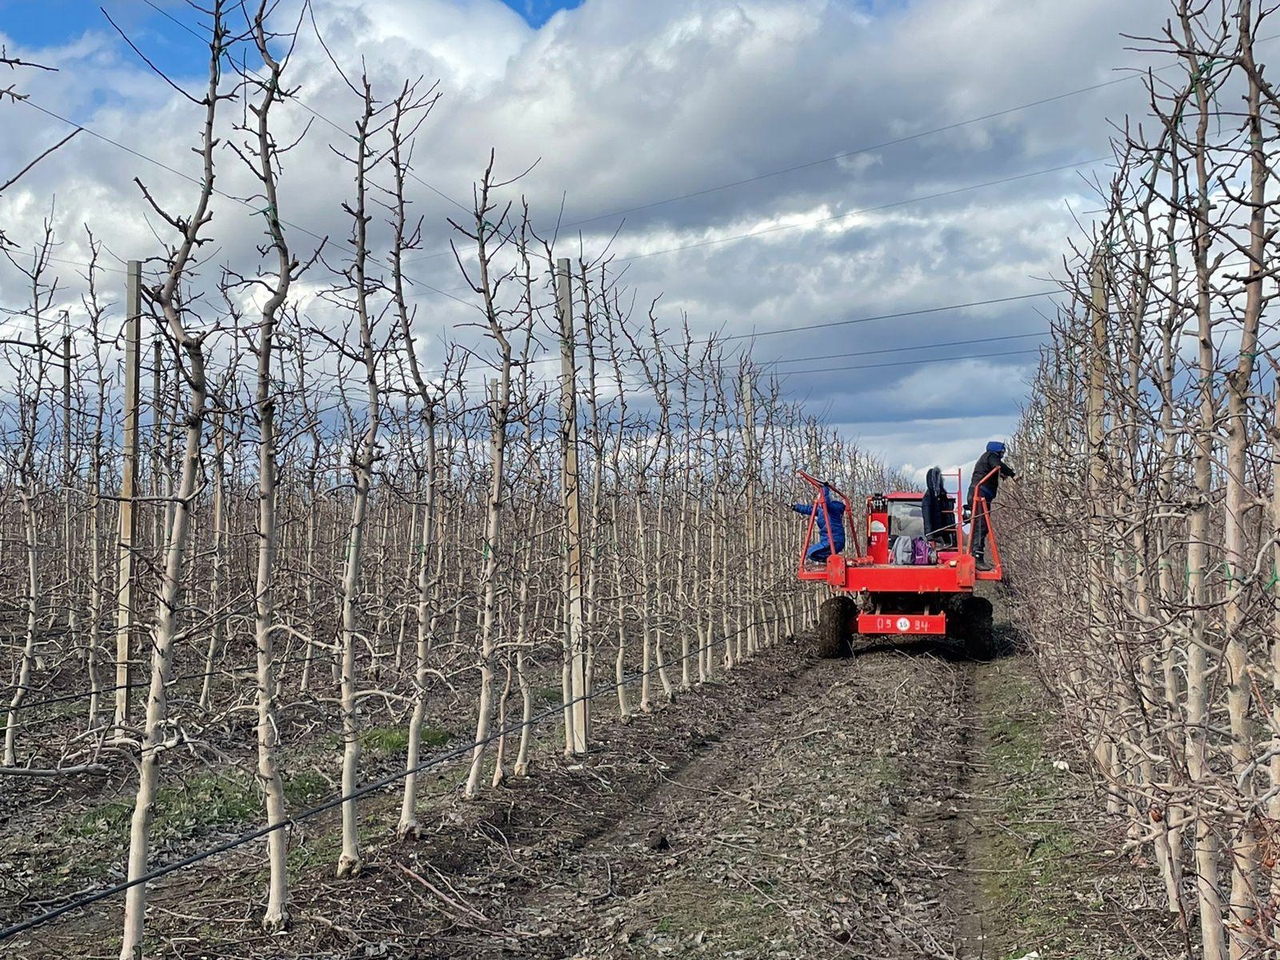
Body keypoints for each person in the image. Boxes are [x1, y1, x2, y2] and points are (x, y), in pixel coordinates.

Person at [967, 441, 1016, 570]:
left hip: (979, 494)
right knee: (981, 525)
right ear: (998, 451)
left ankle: (976, 554)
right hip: (980, 494)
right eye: (1002, 452)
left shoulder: (985, 458)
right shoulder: (990, 456)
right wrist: (1012, 474)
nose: (1002, 455)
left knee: (980, 525)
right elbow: (998, 466)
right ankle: (977, 556)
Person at [792, 483, 846, 564]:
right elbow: (809, 509)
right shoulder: (821, 510)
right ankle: (831, 562)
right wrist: (796, 507)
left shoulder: (833, 508)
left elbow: (826, 502)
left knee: (811, 552)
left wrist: (824, 488)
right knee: (811, 554)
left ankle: (833, 562)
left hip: (834, 540)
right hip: (828, 541)